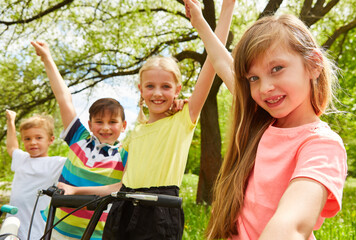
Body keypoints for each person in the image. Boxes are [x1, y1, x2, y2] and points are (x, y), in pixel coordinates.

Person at [57, 1, 235, 239]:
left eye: (165, 86)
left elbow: (214, 62)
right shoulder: (135, 133)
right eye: (150, 86)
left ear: (177, 89)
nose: (157, 93)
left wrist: (226, 9)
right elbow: (120, 187)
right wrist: (76, 190)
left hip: (160, 211)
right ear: (141, 90)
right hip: (123, 209)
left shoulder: (184, 118)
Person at [184, 1, 348, 239]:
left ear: (313, 64)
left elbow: (290, 226)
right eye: (253, 78)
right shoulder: (258, 121)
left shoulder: (322, 145)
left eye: (277, 68)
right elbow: (221, 60)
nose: (265, 88)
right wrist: (199, 21)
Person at [31, 41, 129, 240]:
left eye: (113, 122)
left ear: (123, 125)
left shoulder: (126, 152)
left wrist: (76, 191)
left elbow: (120, 188)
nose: (106, 127)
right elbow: (63, 98)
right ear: (90, 124)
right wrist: (47, 58)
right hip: (58, 227)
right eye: (99, 121)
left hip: (96, 234)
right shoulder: (79, 138)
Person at [5, 109, 66, 240]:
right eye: (27, 138)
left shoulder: (55, 163)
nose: (32, 142)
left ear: (50, 140)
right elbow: (11, 147)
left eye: (39, 138)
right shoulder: (22, 159)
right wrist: (10, 121)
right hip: (12, 226)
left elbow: (78, 161)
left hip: (36, 229)